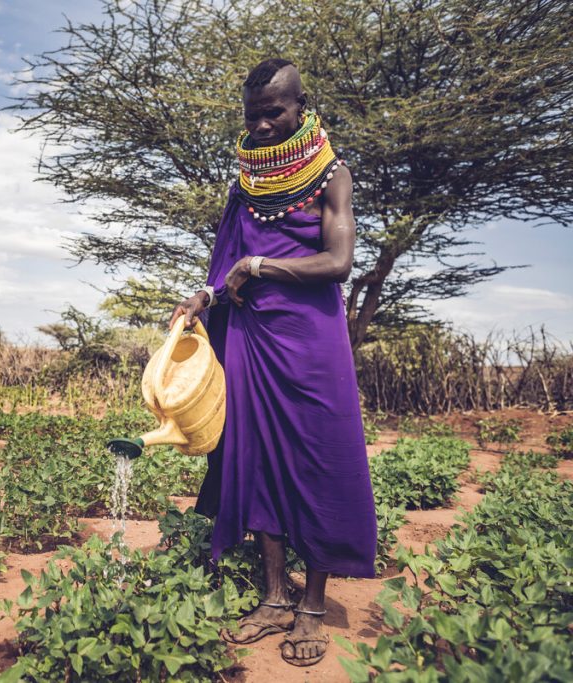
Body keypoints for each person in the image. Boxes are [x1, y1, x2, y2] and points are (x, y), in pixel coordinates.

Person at [169, 58, 377, 667]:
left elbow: (338, 262)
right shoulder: (244, 184)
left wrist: (260, 269)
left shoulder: (333, 175)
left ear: (301, 106)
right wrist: (205, 295)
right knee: (254, 456)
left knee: (316, 458)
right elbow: (225, 257)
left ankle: (312, 604)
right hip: (251, 336)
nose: (262, 125)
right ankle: (274, 595)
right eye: (252, 115)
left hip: (311, 339)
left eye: (274, 112)